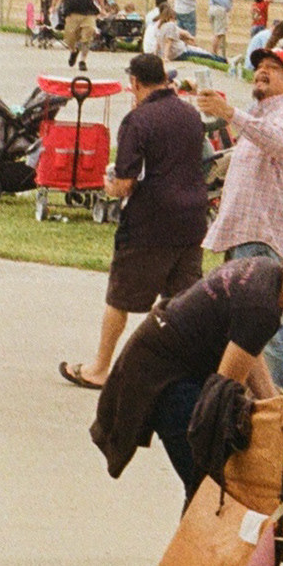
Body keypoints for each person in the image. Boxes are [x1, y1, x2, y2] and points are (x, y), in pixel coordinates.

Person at [90, 251, 283, 498]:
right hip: (167, 380)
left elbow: (248, 349)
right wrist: (273, 434)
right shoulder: (262, 308)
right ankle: (195, 553)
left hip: (160, 360)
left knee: (208, 487)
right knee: (208, 488)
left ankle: (197, 552)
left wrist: (281, 421)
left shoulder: (268, 272)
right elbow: (221, 395)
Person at [59, 53, 208, 391]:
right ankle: (192, 369)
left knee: (121, 297)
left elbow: (125, 181)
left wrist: (109, 185)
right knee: (184, 301)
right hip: (192, 219)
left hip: (150, 222)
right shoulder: (190, 114)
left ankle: (100, 367)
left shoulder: (138, 120)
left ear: (136, 83)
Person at [198, 46, 283, 434]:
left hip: (264, 239)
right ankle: (256, 410)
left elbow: (278, 142)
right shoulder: (259, 114)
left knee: (266, 334)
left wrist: (229, 113)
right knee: (247, 329)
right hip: (247, 236)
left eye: (274, 68)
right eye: (258, 69)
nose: (262, 74)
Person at [206, 0, 238, 67]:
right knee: (218, 34)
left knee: (217, 33)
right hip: (220, 9)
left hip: (211, 8)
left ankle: (218, 54)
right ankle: (213, 55)